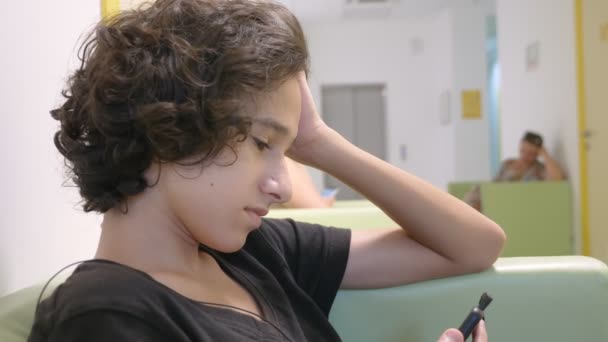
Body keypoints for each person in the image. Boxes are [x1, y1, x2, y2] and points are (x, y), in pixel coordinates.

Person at [28, 1, 505, 341]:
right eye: (262, 142)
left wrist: (320, 142)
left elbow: (474, 245)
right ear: (167, 127)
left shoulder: (253, 253)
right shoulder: (104, 314)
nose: (280, 186)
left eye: (287, 149)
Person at [464, 131, 565, 210]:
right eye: (522, 151)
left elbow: (557, 179)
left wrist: (545, 154)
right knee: (478, 189)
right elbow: (494, 184)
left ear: (537, 153)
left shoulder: (539, 169)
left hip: (520, 202)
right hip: (501, 198)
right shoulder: (508, 163)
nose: (524, 156)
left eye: (530, 153)